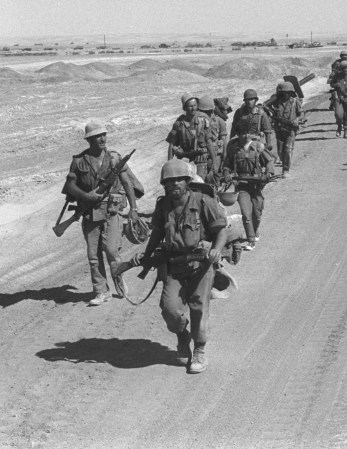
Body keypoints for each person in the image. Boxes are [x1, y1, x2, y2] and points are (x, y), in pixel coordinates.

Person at [133, 159, 227, 373]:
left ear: (187, 181)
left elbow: (221, 230)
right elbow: (157, 232)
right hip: (173, 264)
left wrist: (216, 249)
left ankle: (200, 350)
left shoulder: (203, 202)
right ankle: (182, 336)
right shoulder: (163, 205)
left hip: (200, 265)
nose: (174, 185)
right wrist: (146, 257)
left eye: (178, 180)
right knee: (170, 309)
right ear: (164, 185)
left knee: (198, 308)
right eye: (169, 182)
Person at [63, 121, 139, 305]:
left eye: (104, 134)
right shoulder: (79, 161)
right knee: (93, 256)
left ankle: (119, 282)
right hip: (90, 213)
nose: (102, 138)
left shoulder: (114, 158)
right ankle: (101, 291)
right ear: (89, 139)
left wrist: (134, 209)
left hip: (112, 211)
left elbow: (127, 183)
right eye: (98, 136)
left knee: (112, 250)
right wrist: (85, 196)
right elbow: (69, 186)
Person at [223, 120, 276, 250]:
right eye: (242, 133)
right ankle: (251, 240)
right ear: (238, 134)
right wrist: (226, 173)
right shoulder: (233, 148)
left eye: (247, 133)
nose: (245, 136)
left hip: (256, 185)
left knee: (257, 213)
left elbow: (269, 162)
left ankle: (255, 231)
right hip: (241, 186)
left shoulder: (258, 147)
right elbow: (226, 165)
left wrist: (268, 173)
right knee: (246, 214)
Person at [167, 94, 214, 180]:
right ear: (184, 108)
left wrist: (213, 160)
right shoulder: (179, 123)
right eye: (190, 106)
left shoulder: (203, 119)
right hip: (185, 160)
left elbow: (209, 141)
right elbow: (172, 144)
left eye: (195, 105)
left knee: (199, 184)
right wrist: (169, 164)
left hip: (201, 160)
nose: (193, 108)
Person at [266, 82, 303, 178]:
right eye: (283, 92)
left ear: (291, 92)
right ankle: (284, 162)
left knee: (288, 149)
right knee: (280, 151)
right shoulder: (277, 101)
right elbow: (266, 106)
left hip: (290, 130)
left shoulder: (295, 102)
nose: (285, 94)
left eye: (287, 92)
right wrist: (271, 112)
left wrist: (297, 120)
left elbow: (301, 114)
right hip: (279, 129)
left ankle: (285, 170)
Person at [230, 89, 275, 160]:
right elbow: (234, 128)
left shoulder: (261, 113)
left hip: (256, 141)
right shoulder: (239, 113)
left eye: (251, 99)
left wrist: (268, 143)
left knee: (267, 159)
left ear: (256, 100)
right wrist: (231, 141)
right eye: (247, 100)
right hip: (242, 141)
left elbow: (267, 130)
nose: (249, 102)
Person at [196, 96, 221, 184]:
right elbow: (210, 142)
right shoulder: (209, 122)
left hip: (203, 157)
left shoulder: (196, 121)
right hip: (206, 157)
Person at [212, 97, 231, 180]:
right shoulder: (220, 121)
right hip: (217, 155)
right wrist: (225, 157)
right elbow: (224, 141)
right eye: (225, 110)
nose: (227, 112)